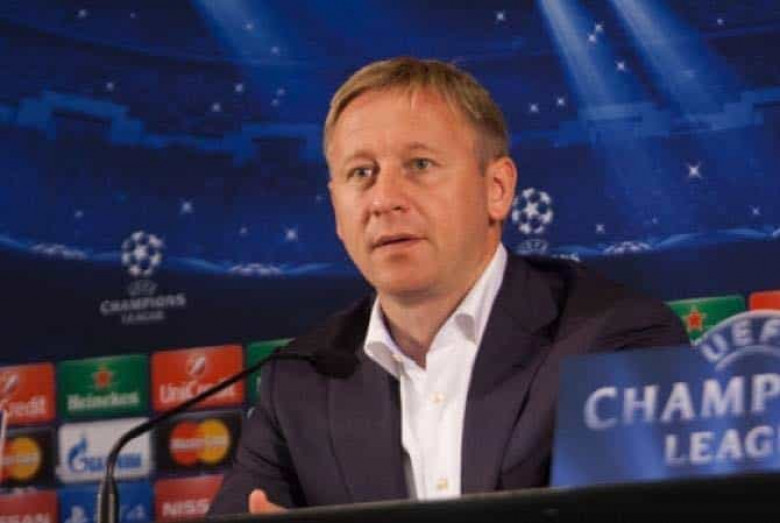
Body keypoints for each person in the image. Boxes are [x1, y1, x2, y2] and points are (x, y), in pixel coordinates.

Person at [208, 57, 688, 514]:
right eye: (361, 173)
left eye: (419, 165)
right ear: (337, 208)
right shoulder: (299, 382)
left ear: (497, 189)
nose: (384, 199)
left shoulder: (616, 339)